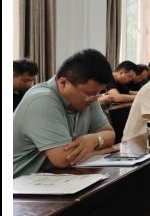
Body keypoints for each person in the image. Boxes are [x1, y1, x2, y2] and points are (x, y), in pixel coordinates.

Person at [13, 49, 117, 177]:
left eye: (98, 93)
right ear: (63, 83)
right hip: (19, 183)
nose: (95, 98)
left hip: (53, 177)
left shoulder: (90, 97)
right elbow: (64, 159)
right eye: (90, 93)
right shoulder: (42, 99)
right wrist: (101, 150)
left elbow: (110, 135)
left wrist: (94, 139)